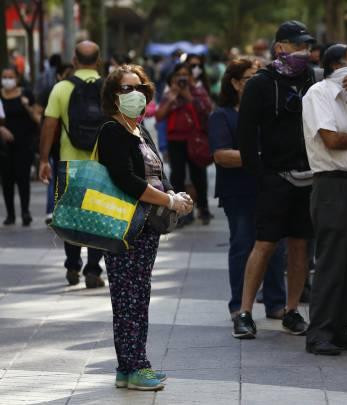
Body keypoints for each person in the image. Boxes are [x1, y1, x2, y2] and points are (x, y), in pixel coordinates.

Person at [96, 64, 193, 391]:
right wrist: (166, 201)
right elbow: (127, 180)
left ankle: (130, 366)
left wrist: (173, 194)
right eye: (125, 88)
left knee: (138, 296)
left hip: (145, 226)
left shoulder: (139, 129)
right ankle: (135, 366)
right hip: (124, 225)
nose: (133, 93)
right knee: (128, 299)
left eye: (137, 87)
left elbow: (155, 173)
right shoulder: (112, 130)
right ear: (113, 95)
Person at [232, 20, 317, 339]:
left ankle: (292, 310)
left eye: (307, 47)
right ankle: (244, 312)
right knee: (264, 245)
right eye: (297, 46)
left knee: (299, 246)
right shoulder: (261, 84)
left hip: (307, 176)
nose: (303, 52)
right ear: (279, 47)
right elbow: (245, 133)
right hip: (274, 177)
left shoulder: (311, 78)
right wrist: (260, 174)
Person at [301, 44, 347, 355]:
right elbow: (332, 140)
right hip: (332, 185)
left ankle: (342, 325)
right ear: (336, 66)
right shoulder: (319, 93)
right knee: (331, 259)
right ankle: (319, 331)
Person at [208, 59, 288, 336]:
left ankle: (277, 303)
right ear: (235, 82)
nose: (256, 84)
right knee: (243, 246)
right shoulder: (223, 116)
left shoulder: (270, 113)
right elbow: (221, 155)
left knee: (277, 247)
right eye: (250, 78)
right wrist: (261, 158)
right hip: (239, 193)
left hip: (271, 189)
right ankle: (239, 306)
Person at [38, 41, 107, 289]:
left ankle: (72, 265)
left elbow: (49, 126)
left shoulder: (61, 88)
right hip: (102, 163)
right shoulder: (108, 89)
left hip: (70, 163)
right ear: (98, 62)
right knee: (99, 216)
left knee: (70, 215)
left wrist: (44, 159)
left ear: (74, 61)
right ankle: (93, 269)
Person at [155, 62, 213, 225]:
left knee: (198, 175)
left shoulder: (198, 91)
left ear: (190, 76)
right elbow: (159, 116)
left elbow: (207, 111)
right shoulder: (170, 93)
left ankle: (203, 208)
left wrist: (188, 96)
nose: (182, 78)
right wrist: (171, 97)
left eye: (185, 74)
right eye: (178, 75)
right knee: (177, 176)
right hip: (176, 141)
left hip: (195, 140)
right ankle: (182, 211)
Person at [0, 66, 41, 226]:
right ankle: (10, 214)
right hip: (3, 146)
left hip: (24, 143)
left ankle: (25, 211)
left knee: (23, 179)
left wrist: (27, 106)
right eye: (4, 76)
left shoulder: (26, 94)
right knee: (7, 180)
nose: (7, 80)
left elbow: (37, 118)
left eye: (10, 77)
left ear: (17, 78)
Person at [39, 63, 74, 225]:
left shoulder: (56, 90)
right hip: (74, 147)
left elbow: (48, 123)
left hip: (60, 145)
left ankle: (54, 210)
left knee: (56, 179)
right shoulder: (89, 89)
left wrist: (43, 158)